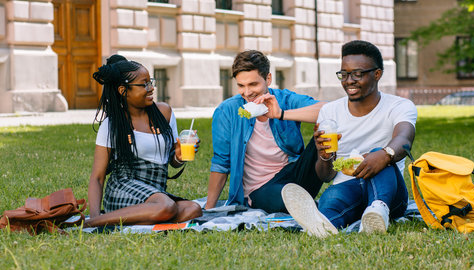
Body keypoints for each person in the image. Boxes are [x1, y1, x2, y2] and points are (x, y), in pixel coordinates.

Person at [282, 40, 417, 237]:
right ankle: (322, 224)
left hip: (389, 192)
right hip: (347, 187)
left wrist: (384, 154)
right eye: (344, 74)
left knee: (377, 155)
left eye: (357, 74)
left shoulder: (399, 106)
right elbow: (325, 176)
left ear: (377, 74)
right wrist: (325, 156)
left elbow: (404, 139)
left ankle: (377, 211)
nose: (349, 80)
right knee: (331, 199)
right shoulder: (330, 111)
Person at [85, 55, 202, 227]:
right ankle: (95, 222)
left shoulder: (164, 113)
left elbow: (172, 162)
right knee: (167, 207)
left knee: (193, 209)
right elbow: (97, 177)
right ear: (123, 90)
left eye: (151, 82)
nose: (151, 88)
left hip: (155, 191)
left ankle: (134, 218)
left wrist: (178, 156)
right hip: (123, 187)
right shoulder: (112, 124)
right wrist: (94, 215)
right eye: (144, 84)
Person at [206, 50, 326, 213]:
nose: (247, 93)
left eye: (253, 84)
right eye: (241, 85)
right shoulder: (227, 111)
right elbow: (221, 163)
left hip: (293, 176)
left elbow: (329, 111)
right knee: (285, 200)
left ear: (268, 79)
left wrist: (281, 114)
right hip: (260, 190)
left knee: (324, 133)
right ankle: (312, 207)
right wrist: (208, 209)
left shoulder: (284, 100)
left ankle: (307, 205)